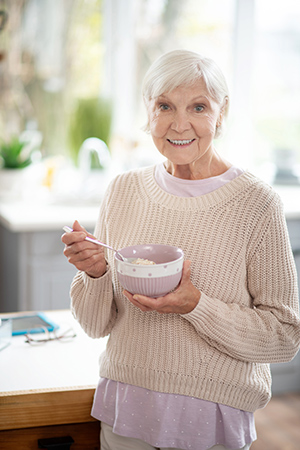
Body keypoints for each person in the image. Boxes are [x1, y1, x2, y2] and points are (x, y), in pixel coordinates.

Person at [61, 49, 300, 450]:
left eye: (199, 107)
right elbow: (94, 325)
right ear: (148, 111)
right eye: (165, 105)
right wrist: (96, 273)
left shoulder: (257, 204)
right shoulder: (123, 191)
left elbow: (284, 336)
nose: (179, 123)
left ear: (222, 114)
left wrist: (196, 306)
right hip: (126, 406)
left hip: (213, 416)